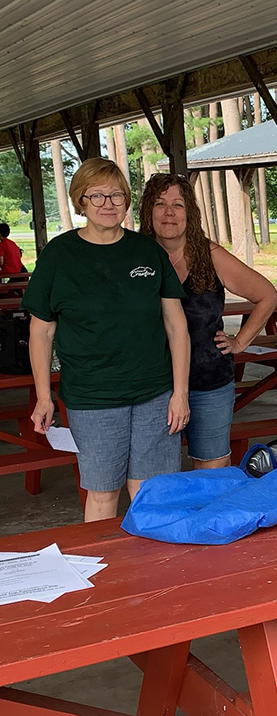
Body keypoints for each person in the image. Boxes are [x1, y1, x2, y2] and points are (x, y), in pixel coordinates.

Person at [23, 157, 190, 522]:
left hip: (155, 392)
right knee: (102, 492)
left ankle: (158, 574)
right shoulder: (59, 255)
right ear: (80, 201)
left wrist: (180, 393)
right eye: (96, 196)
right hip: (92, 396)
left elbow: (176, 326)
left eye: (116, 195)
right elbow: (41, 330)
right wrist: (43, 396)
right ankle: (105, 572)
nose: (107, 204)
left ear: (127, 201)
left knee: (153, 492)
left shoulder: (147, 251)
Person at [140, 173, 277, 469]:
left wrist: (240, 341)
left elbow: (267, 295)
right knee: (156, 473)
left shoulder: (210, 255)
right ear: (147, 211)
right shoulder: (136, 257)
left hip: (209, 382)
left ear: (190, 212)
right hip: (153, 385)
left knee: (212, 469)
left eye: (177, 205)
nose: (168, 212)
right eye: (160, 204)